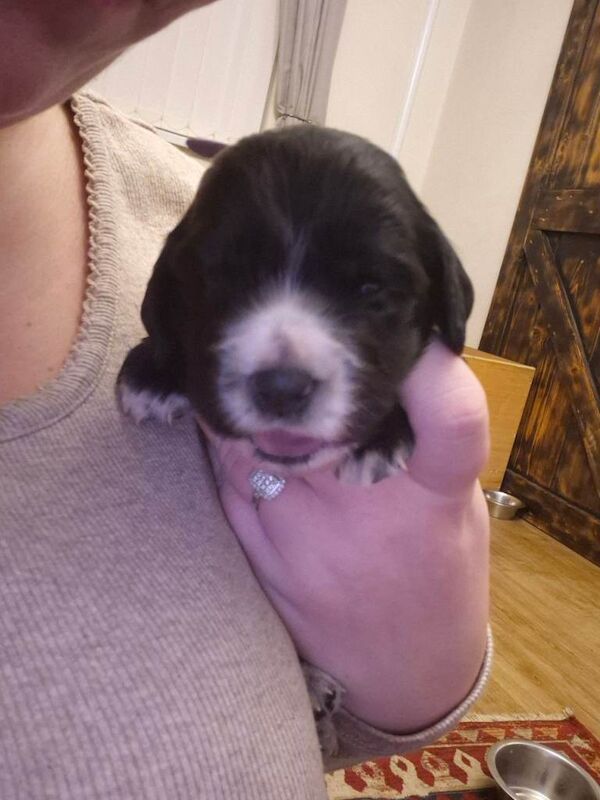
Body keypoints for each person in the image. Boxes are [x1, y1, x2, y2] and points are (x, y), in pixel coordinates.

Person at [0, 2, 491, 798]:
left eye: (368, 288)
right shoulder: (185, 234)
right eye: (230, 279)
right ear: (169, 294)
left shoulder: (171, 199)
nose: (289, 364)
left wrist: (420, 669)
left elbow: (328, 729)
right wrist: (167, 360)